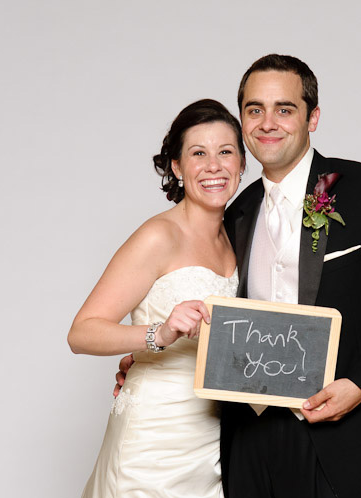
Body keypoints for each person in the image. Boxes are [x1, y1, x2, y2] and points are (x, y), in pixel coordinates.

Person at [118, 54, 361, 498]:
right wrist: (148, 358)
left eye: (285, 108)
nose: (267, 122)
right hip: (253, 442)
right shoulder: (234, 213)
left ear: (312, 117)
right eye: (254, 109)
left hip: (356, 437)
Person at [68, 99, 245, 498]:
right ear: (178, 168)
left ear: (241, 164)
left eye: (225, 152)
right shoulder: (157, 236)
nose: (214, 165)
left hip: (215, 439)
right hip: (154, 439)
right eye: (198, 153)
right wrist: (158, 335)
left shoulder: (239, 237)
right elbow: (81, 333)